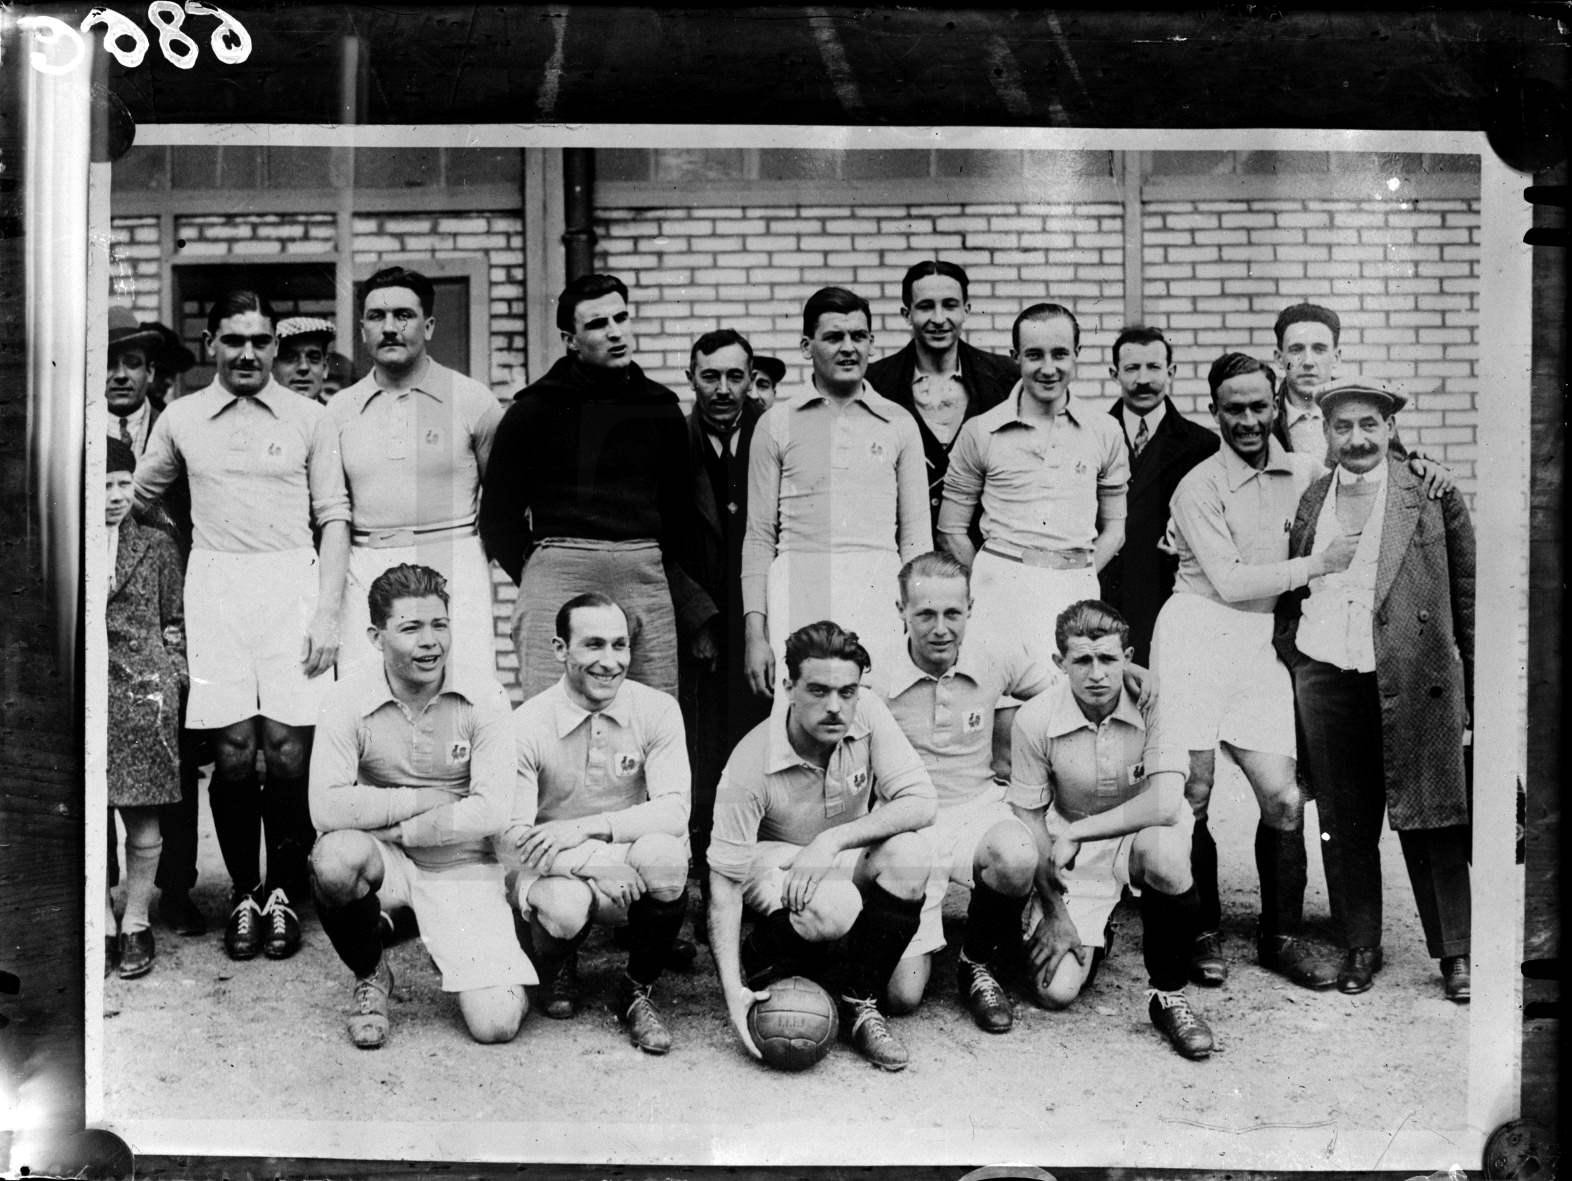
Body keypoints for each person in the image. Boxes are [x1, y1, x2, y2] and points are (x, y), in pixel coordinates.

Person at [1153, 352, 1451, 990]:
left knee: (1286, 798)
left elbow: (1367, 470)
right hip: (1197, 634)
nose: (1250, 420)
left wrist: (1421, 465)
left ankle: (1279, 935)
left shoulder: (1305, 472)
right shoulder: (1197, 485)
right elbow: (1230, 580)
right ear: (1215, 412)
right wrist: (1317, 565)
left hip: (1260, 642)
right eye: (1234, 409)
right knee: (1194, 792)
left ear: (1276, 403)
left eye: (1261, 406)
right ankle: (1200, 930)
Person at [133, 289, 350, 964]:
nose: (249, 352)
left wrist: (328, 608)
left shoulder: (310, 417)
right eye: (235, 340)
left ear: (275, 349)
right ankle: (244, 895)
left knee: (285, 746)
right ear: (211, 345)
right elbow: (138, 498)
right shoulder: (183, 417)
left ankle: (284, 892)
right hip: (217, 584)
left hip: (291, 580)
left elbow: (334, 515)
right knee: (231, 748)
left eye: (261, 341)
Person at [1274, 377, 1474, 1001]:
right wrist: (1297, 660)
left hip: (1415, 674)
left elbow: (1466, 594)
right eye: (1342, 427)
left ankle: (1456, 953)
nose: (1356, 438)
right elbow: (1294, 589)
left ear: (1389, 429)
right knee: (1343, 817)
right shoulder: (1313, 499)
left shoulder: (1432, 493)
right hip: (1328, 673)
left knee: (1429, 810)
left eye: (1369, 425)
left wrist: (1473, 691)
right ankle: (1361, 942)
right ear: (1327, 436)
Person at [309, 564, 532, 1049]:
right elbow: (326, 808)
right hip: (388, 862)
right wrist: (419, 800)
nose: (430, 642)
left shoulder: (484, 695)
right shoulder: (345, 697)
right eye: (411, 628)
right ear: (376, 636)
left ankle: (454, 931)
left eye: (439, 625)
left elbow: (492, 811)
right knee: (335, 859)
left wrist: (405, 828)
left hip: (463, 865)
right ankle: (371, 973)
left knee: (495, 1025)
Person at [708, 620, 936, 1072]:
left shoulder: (866, 710)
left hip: (832, 854)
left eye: (847, 692)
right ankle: (763, 953)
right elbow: (723, 886)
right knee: (834, 905)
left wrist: (829, 841)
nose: (835, 707)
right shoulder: (751, 760)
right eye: (818, 691)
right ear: (788, 686)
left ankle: (858, 999)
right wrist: (732, 989)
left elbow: (922, 802)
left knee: (910, 860)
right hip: (773, 864)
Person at [480, 273, 713, 699]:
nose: (615, 332)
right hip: (558, 573)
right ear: (570, 339)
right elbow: (497, 518)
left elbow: (680, 516)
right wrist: (545, 571)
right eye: (597, 324)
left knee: (652, 715)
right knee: (550, 720)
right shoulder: (532, 410)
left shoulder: (661, 409)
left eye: (621, 318)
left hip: (642, 577)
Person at [1008, 600, 1212, 1059]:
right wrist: (1055, 911)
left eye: (1108, 659)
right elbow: (1032, 822)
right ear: (1059, 663)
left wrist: (1080, 835)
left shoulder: (1157, 698)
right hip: (1073, 846)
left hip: (1138, 835)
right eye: (1081, 660)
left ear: (1128, 656)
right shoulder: (1035, 718)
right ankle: (1094, 934)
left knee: (1167, 851)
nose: (1096, 673)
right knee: (1053, 992)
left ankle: (1169, 996)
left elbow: (1162, 803)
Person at [863, 552, 1054, 1031]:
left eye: (953, 613)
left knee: (1016, 853)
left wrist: (1133, 678)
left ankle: (977, 962)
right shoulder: (874, 675)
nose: (941, 628)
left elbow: (1062, 689)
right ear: (900, 611)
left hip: (975, 808)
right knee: (902, 997)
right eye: (925, 613)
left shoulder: (994, 653)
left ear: (970, 608)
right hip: (907, 823)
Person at [501, 594, 692, 1054]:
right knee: (564, 910)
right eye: (593, 646)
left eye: (619, 645)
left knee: (666, 857)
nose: (610, 662)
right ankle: (556, 959)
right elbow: (511, 839)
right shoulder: (526, 723)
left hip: (608, 847)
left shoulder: (658, 709)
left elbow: (673, 810)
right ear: (560, 650)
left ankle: (635, 989)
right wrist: (592, 861)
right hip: (551, 864)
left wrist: (592, 829)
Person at [741, 286, 931, 701]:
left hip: (877, 584)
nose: (848, 348)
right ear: (807, 346)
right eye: (833, 337)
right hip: (799, 582)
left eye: (859, 336)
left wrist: (916, 613)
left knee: (875, 710)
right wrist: (755, 633)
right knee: (800, 714)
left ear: (871, 343)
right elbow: (758, 538)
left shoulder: (899, 423)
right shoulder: (776, 422)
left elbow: (916, 537)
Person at [328, 267, 503, 679]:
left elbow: (502, 500)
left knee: (462, 696)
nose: (389, 328)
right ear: (363, 329)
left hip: (452, 563)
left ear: (428, 326)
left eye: (403, 316)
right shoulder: (339, 409)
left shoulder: (472, 399)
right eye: (376, 317)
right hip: (366, 565)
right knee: (368, 699)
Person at [938, 302, 1129, 666]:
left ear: (1077, 355)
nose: (1048, 368)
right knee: (1001, 698)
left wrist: (1082, 573)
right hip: (1002, 585)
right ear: (1015, 358)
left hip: (1076, 584)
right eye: (1034, 355)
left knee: (1066, 700)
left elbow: (1115, 528)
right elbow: (951, 530)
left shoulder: (1104, 430)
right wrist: (989, 579)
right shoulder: (982, 430)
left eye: (1060, 354)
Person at [105, 306, 204, 936]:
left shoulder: (175, 431)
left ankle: (176, 886)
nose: (119, 375)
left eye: (132, 363)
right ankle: (100, 898)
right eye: (108, 363)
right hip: (111, 610)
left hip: (172, 594)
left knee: (175, 750)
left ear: (151, 372)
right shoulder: (74, 431)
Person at [679, 329, 769, 923]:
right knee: (701, 753)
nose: (723, 389)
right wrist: (699, 618)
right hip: (699, 625)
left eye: (735, 376)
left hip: (763, 619)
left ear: (751, 378)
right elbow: (659, 535)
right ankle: (695, 891)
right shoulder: (672, 440)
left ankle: (758, 886)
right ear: (692, 378)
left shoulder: (774, 432)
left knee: (758, 747)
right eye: (710, 376)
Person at [103, 437, 187, 979]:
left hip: (142, 695)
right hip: (87, 691)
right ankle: (98, 923)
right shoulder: (64, 543)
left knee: (142, 813)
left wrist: (172, 678)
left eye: (121, 485)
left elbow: (173, 623)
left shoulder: (156, 545)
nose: (114, 496)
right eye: (102, 484)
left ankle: (136, 920)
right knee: (85, 819)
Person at [1095, 326, 1219, 665]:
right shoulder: (1091, 436)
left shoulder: (1202, 446)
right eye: (1132, 368)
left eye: (1153, 367)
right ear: (1114, 374)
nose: (1143, 379)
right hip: (1105, 596)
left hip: (1166, 597)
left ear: (1171, 372)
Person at [865, 260, 1018, 531]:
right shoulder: (875, 382)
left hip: (984, 549)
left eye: (949, 305)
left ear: (966, 310)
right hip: (906, 546)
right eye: (925, 306)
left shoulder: (1005, 379)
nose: (938, 319)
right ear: (906, 314)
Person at [273, 316, 337, 401]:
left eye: (314, 358)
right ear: (272, 366)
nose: (304, 367)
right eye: (290, 357)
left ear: (325, 367)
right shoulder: (257, 412)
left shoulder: (337, 413)